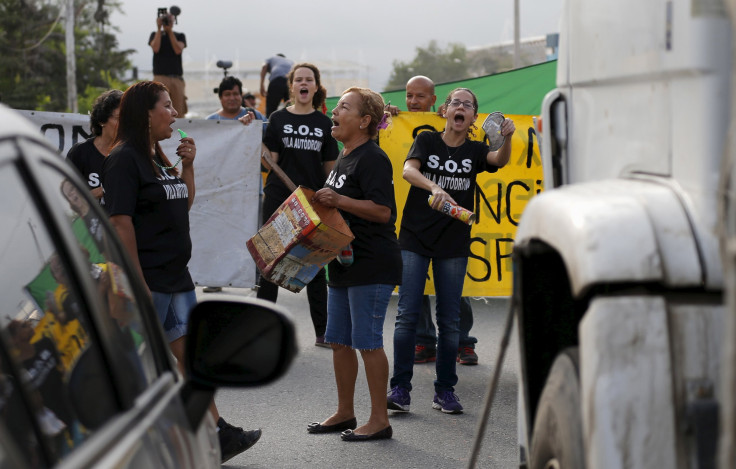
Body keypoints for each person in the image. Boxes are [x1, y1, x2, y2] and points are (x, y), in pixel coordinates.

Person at [101, 81, 260, 463]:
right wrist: (136, 283)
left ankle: (217, 435)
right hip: (149, 282)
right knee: (141, 371)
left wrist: (187, 166)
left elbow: (182, 203)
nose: (174, 114)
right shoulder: (124, 159)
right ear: (146, 113)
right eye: (167, 106)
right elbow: (120, 224)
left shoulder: (156, 155)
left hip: (177, 278)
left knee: (191, 360)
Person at [388, 88, 515, 414]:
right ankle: (400, 389)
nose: (461, 107)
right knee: (406, 316)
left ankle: (445, 391)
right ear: (445, 110)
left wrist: (508, 138)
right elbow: (407, 170)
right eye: (456, 102)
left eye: (468, 105)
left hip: (453, 244)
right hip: (415, 238)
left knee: (450, 321)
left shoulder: (475, 150)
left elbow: (498, 160)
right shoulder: (427, 140)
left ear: (473, 117)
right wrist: (433, 186)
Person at [308, 87, 401, 442]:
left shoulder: (373, 158)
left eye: (343, 107)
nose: (334, 111)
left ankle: (380, 420)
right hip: (343, 263)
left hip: (371, 262)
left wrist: (340, 199)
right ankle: (345, 412)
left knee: (367, 342)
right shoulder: (344, 157)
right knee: (339, 342)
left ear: (365, 121)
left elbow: (383, 211)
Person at [387, 76, 480, 366]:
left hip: (451, 234)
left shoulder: (456, 133)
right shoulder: (410, 130)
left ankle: (462, 342)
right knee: (414, 290)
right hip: (417, 226)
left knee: (451, 295)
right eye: (409, 96)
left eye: (420, 97)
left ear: (436, 104)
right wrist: (386, 122)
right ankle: (424, 341)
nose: (413, 102)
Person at [258, 63, 338, 347]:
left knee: (314, 266)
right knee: (270, 264)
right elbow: (271, 162)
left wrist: (331, 199)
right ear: (291, 87)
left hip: (312, 201)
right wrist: (255, 139)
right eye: (299, 80)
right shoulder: (277, 119)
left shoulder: (326, 124)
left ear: (316, 87)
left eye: (309, 80)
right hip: (280, 198)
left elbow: (330, 170)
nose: (304, 84)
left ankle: (323, 332)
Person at [66, 90, 122, 202]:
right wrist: (98, 193)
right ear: (102, 120)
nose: (123, 124)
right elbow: (64, 197)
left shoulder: (129, 154)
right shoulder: (80, 152)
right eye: (118, 118)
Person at [149, 9, 187, 115]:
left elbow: (178, 50)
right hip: (160, 77)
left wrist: (169, 31)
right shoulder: (154, 35)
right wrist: (159, 29)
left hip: (176, 78)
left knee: (178, 110)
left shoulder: (180, 36)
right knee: (158, 107)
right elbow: (155, 48)